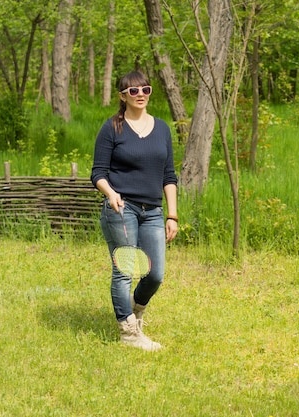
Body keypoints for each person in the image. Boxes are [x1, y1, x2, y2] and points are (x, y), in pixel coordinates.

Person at [91, 70, 178, 351]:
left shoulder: (162, 129)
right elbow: (98, 173)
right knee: (125, 270)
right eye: (133, 91)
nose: (140, 94)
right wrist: (112, 194)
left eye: (146, 90)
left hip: (153, 210)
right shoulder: (112, 128)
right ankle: (128, 333)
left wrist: (172, 215)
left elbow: (169, 176)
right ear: (122, 96)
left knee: (155, 274)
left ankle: (133, 309)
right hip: (122, 208)